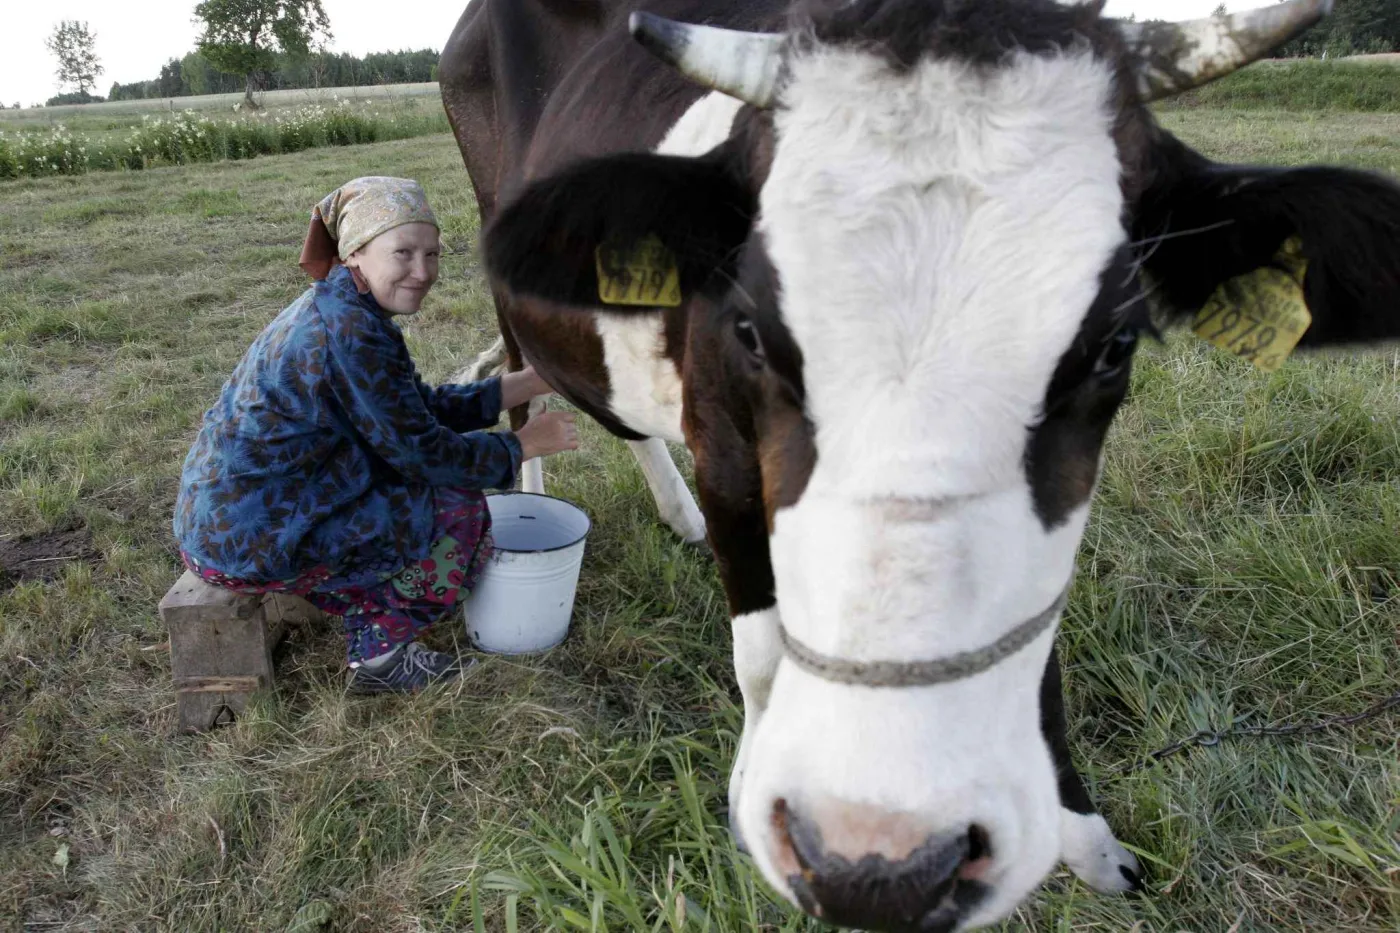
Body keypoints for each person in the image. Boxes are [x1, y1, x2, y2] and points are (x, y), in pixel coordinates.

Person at [173, 176, 579, 694]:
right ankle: (381, 660)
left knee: (415, 490)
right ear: (355, 254)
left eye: (432, 253)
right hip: (248, 542)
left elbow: (410, 410)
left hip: (231, 518)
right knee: (455, 508)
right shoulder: (350, 333)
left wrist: (522, 384)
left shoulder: (341, 307)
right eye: (402, 252)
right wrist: (522, 446)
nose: (423, 271)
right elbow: (424, 455)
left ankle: (359, 608)